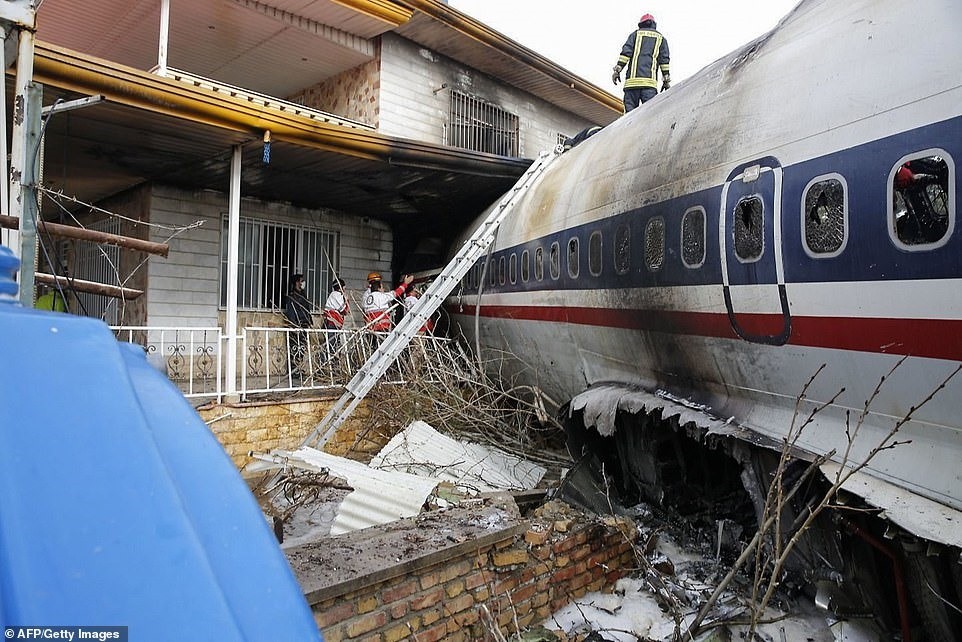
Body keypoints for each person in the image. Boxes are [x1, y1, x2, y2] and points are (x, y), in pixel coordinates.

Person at [611, 13, 670, 113]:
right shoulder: (661, 39)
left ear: (641, 24)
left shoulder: (635, 35)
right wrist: (666, 81)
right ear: (653, 24)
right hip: (649, 86)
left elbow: (625, 53)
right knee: (649, 116)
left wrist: (617, 70)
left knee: (628, 119)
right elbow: (664, 61)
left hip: (631, 84)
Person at [283, 273, 314, 377]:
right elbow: (290, 313)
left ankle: (298, 368)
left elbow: (307, 310)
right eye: (301, 281)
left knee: (302, 348)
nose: (302, 283)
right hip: (297, 325)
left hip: (304, 325)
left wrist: (309, 322)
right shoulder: (292, 296)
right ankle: (293, 370)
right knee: (295, 348)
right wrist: (294, 326)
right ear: (297, 282)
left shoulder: (303, 295)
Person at [322, 278, 350, 357]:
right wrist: (347, 300)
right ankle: (328, 363)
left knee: (334, 345)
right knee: (331, 345)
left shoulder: (335, 295)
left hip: (334, 324)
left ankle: (333, 363)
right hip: (332, 323)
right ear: (341, 287)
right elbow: (344, 310)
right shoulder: (336, 295)